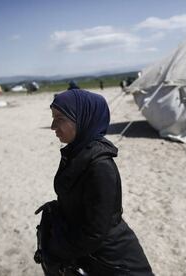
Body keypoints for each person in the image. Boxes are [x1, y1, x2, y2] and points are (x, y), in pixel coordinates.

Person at [35, 88, 153, 276]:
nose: (52, 126)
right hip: (85, 250)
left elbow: (95, 233)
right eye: (53, 117)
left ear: (83, 119)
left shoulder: (99, 166)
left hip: (111, 259)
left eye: (60, 119)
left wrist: (55, 251)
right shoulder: (76, 153)